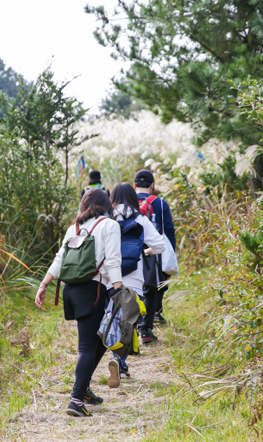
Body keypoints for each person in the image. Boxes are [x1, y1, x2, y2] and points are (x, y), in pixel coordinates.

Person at [36, 189, 123, 417]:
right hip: (93, 290)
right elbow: (113, 260)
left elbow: (59, 258)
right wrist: (119, 289)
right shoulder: (109, 225)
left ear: (85, 204)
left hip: (72, 290)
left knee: (101, 341)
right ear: (107, 205)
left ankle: (83, 390)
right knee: (87, 347)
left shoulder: (73, 228)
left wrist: (44, 285)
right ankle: (75, 399)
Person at [106, 182, 165, 388]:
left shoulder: (107, 217)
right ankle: (120, 361)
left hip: (108, 278)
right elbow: (160, 245)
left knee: (111, 319)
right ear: (133, 197)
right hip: (133, 280)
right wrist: (143, 251)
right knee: (128, 322)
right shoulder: (140, 219)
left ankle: (115, 357)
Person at [134, 169, 176, 344]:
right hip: (154, 252)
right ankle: (146, 331)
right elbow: (169, 232)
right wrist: (170, 256)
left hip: (131, 251)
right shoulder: (160, 204)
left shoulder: (125, 203)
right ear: (152, 186)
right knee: (151, 291)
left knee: (132, 288)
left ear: (134, 185)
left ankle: (132, 326)